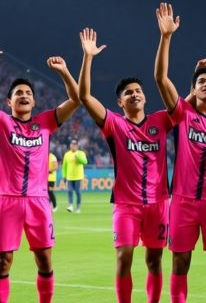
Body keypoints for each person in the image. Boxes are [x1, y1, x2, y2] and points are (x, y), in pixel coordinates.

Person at [78, 28, 172, 303]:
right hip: (126, 204)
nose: (135, 94)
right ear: (120, 103)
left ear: (145, 97)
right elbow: (84, 96)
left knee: (154, 261)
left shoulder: (161, 121)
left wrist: (204, 76)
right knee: (124, 257)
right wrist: (88, 58)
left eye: (138, 91)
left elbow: (191, 102)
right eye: (128, 93)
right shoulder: (114, 124)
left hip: (158, 203)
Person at [153, 2, 206, 303]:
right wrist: (166, 38)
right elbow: (161, 80)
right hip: (183, 202)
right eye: (200, 81)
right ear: (194, 89)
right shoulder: (183, 115)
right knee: (180, 263)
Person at [0, 56, 80, 303]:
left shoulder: (44, 122)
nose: (23, 95)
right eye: (18, 93)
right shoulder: (3, 122)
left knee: (44, 259)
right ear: (9, 101)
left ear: (34, 101)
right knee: (3, 261)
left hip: (38, 201)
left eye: (27, 93)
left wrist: (65, 71)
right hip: (6, 201)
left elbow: (76, 99)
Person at [62, 139, 88, 213]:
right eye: (72, 145)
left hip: (78, 176)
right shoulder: (67, 154)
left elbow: (85, 162)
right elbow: (64, 166)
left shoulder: (81, 153)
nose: (73, 146)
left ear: (77, 146)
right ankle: (70, 205)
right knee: (69, 191)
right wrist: (64, 175)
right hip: (69, 176)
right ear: (70, 146)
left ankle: (78, 206)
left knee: (78, 191)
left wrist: (78, 158)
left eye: (75, 145)